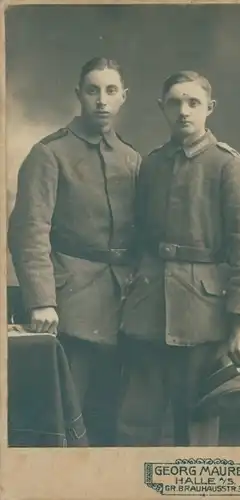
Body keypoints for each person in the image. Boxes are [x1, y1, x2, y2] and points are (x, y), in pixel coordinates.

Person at [118, 70, 240, 446]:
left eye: (193, 103)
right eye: (174, 103)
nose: (183, 111)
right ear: (162, 108)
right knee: (137, 421)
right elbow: (137, 236)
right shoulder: (151, 164)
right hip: (148, 309)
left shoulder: (228, 165)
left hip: (203, 313)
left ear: (209, 109)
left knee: (196, 426)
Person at [8, 57, 141, 446]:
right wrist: (41, 301)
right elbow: (29, 231)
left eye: (111, 91)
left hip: (123, 304)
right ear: (78, 94)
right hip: (69, 305)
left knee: (112, 416)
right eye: (93, 90)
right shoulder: (49, 153)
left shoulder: (132, 158)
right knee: (68, 419)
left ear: (123, 98)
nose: (102, 100)